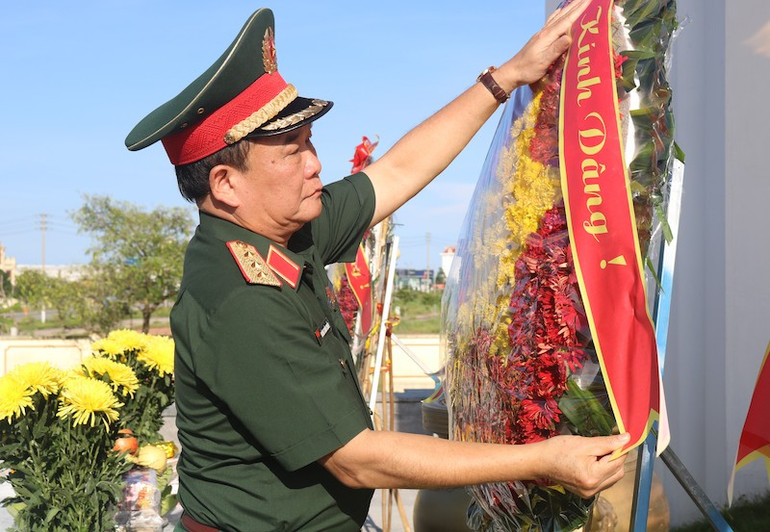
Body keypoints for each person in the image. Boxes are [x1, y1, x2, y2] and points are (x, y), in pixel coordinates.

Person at [126, 2, 629, 531]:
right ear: (226, 184)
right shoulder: (241, 297)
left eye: (310, 143)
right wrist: (543, 460)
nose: (315, 162)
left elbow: (396, 173)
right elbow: (357, 458)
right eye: (291, 152)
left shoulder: (287, 226)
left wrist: (508, 75)